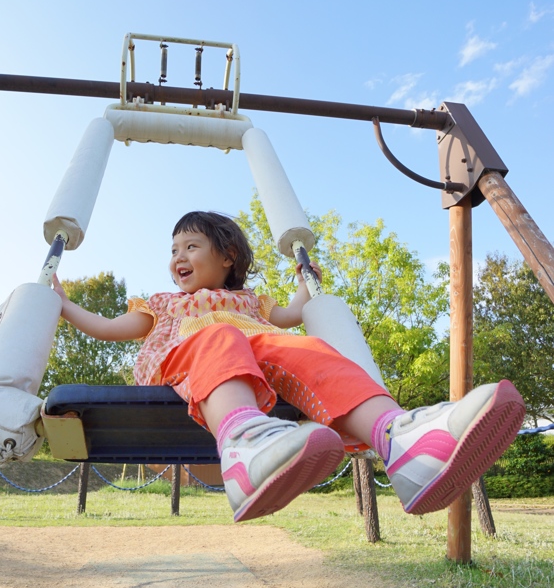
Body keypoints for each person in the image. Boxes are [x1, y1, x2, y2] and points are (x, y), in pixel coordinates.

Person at [52, 210, 525, 523]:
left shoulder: (253, 303)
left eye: (191, 246)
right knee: (221, 335)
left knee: (310, 350)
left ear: (227, 256)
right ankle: (243, 448)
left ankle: (401, 442)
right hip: (187, 365)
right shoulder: (163, 304)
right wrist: (63, 305)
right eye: (175, 249)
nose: (179, 256)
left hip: (257, 369)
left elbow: (291, 317)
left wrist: (305, 283)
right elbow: (108, 327)